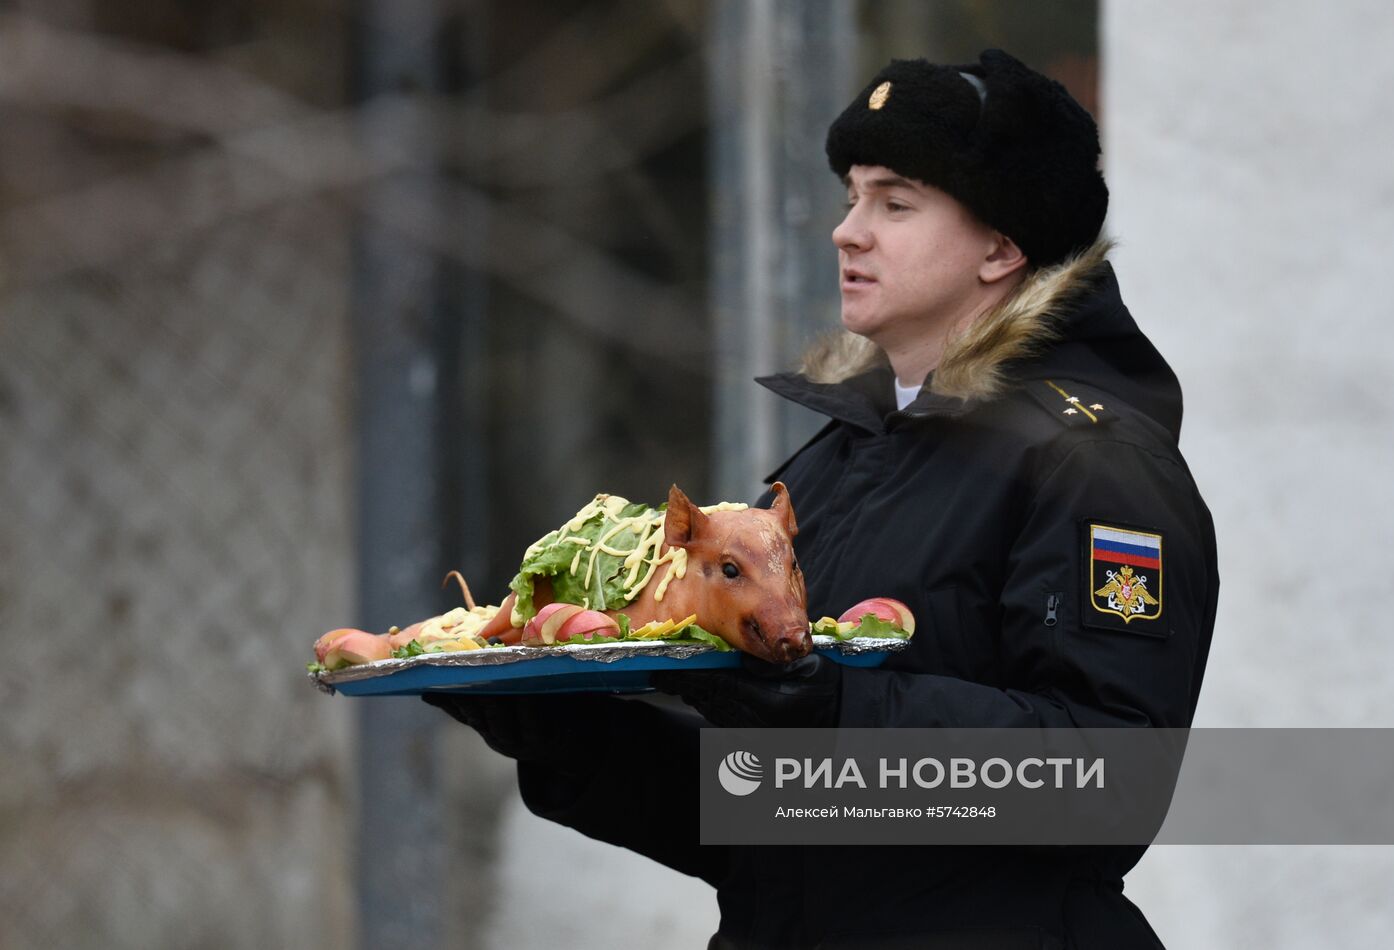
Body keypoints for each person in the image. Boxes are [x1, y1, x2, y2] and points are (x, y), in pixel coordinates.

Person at [426, 49, 1218, 950]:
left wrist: (841, 711)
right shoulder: (833, 463)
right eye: (851, 196)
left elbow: (1110, 786)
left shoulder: (1091, 464)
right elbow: (773, 822)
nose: (849, 230)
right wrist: (563, 732)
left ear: (1002, 246)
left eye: (896, 202)